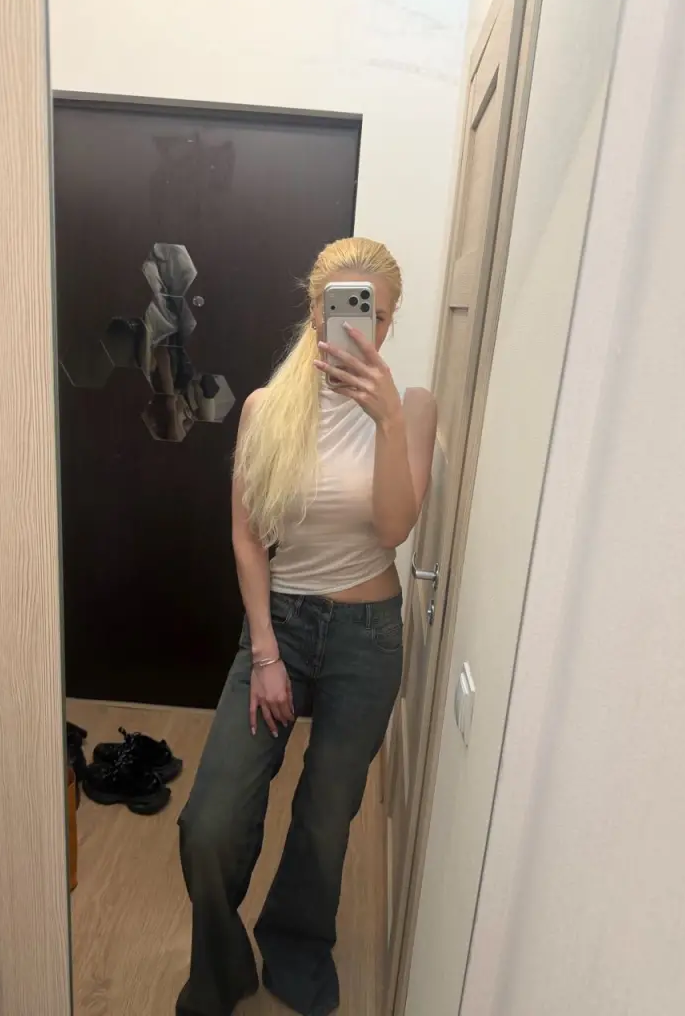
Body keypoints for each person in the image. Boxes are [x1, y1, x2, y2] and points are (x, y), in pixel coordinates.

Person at [176, 237, 437, 1016]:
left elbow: (392, 529)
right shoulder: (267, 409)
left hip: (367, 636)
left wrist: (386, 421)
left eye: (374, 315)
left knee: (326, 817)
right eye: (341, 307)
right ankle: (221, 969)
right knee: (210, 823)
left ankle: (296, 947)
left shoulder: (412, 407)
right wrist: (264, 651)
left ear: (389, 323)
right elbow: (247, 535)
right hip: (280, 626)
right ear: (316, 311)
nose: (358, 325)